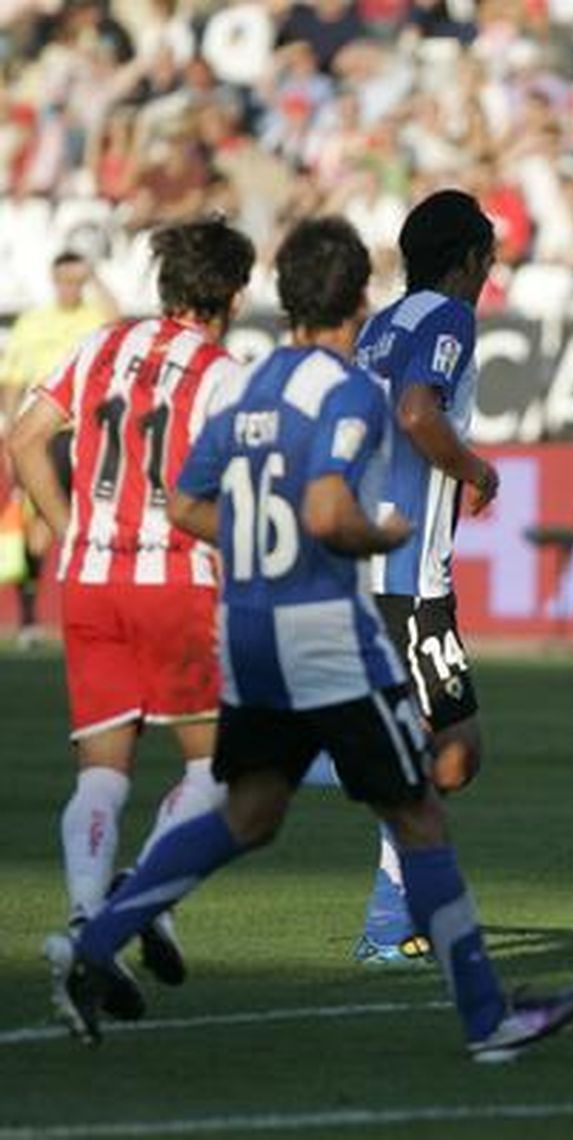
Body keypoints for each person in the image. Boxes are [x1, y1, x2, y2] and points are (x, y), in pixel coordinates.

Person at [43, 217, 573, 1062]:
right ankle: (488, 1021)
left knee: (251, 813)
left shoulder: (250, 385)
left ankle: (97, 939)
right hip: (330, 633)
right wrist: (375, 532)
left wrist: (264, 541)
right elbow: (332, 512)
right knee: (418, 807)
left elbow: (185, 504)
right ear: (357, 297)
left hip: (250, 628)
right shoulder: (345, 390)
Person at [8, 220, 253, 986]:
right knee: (215, 768)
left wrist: (70, 530)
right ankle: (143, 897)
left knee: (101, 774)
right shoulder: (222, 374)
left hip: (89, 580)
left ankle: (88, 919)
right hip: (175, 581)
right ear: (233, 293)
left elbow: (22, 439)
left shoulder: (101, 346)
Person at [347, 189, 501, 966]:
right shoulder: (450, 317)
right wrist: (475, 469)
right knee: (454, 749)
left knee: (432, 743)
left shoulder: (380, 324)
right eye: (488, 260)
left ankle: (393, 911)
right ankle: (386, 914)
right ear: (469, 259)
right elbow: (416, 413)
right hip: (406, 574)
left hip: (367, 561)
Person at [0, 250, 116, 646]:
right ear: (53, 280)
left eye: (76, 281)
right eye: (64, 280)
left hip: (87, 436)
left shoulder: (95, 320)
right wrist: (11, 439)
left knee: (97, 518)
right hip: (42, 438)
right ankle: (29, 618)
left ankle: (96, 613)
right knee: (38, 527)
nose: (70, 288)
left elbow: (121, 323)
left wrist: (95, 276)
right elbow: (13, 383)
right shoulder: (33, 323)